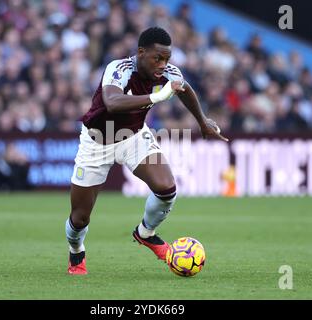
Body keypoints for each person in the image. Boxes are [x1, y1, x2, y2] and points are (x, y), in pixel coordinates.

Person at [65, 27, 228, 275]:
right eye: (157, 58)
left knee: (167, 188)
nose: (163, 64)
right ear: (141, 52)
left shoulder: (167, 72)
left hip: (133, 137)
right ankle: (76, 251)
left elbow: (184, 89)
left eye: (167, 59)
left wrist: (202, 120)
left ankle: (146, 233)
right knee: (79, 219)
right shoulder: (118, 69)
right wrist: (157, 98)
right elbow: (112, 102)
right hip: (96, 143)